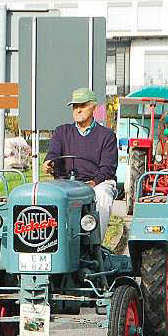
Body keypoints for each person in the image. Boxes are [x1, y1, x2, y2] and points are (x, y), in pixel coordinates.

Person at [43, 87, 118, 237]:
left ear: (94, 107)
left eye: (82, 105)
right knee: (44, 195)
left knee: (102, 195)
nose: (78, 110)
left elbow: (108, 168)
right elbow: (53, 154)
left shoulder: (107, 136)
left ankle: (95, 244)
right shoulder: (61, 131)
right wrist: (49, 162)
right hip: (66, 183)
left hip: (98, 182)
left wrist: (94, 182)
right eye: (75, 106)